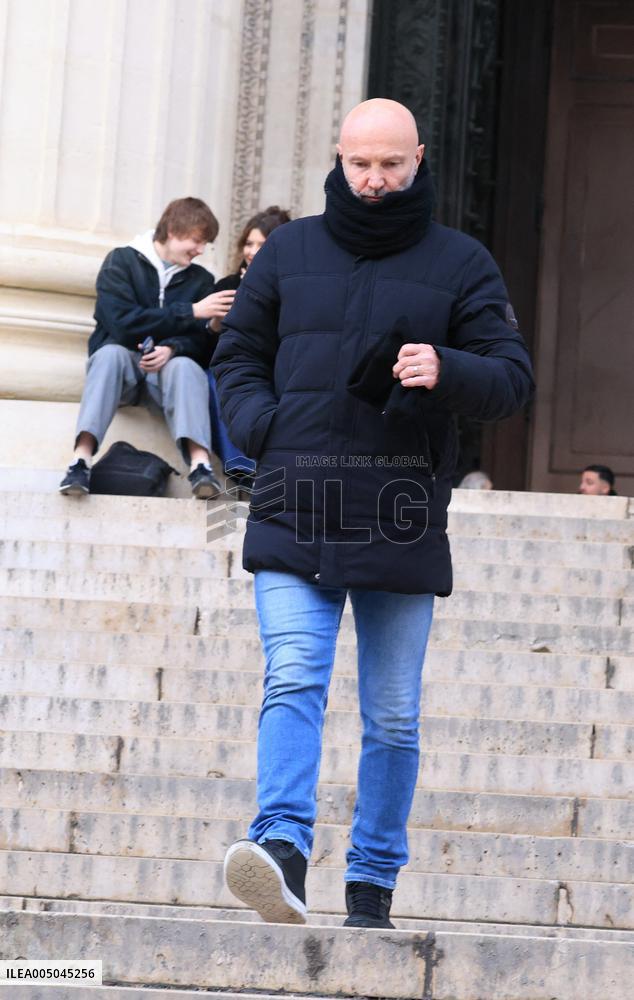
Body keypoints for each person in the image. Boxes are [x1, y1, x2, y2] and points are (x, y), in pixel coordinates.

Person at [213, 99, 534, 928]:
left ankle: (372, 881)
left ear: (419, 158)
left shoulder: (463, 263)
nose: (375, 180)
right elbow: (238, 355)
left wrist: (448, 366)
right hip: (296, 500)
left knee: (392, 715)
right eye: (361, 164)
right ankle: (281, 849)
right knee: (292, 675)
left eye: (391, 164)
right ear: (339, 156)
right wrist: (263, 428)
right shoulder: (287, 250)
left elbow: (511, 378)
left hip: (400, 510)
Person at [59, 197, 234, 499]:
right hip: (123, 372)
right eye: (196, 240)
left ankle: (201, 466)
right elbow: (121, 322)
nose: (200, 250)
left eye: (205, 244)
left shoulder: (202, 280)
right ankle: (80, 460)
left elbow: (202, 342)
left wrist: (173, 349)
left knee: (186, 365)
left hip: (166, 380)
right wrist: (189, 312)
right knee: (110, 354)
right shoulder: (122, 262)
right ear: (173, 230)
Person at [207, 207, 291, 487]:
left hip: (280, 368)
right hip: (240, 366)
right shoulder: (228, 285)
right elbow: (210, 349)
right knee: (221, 381)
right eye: (249, 243)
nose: (253, 251)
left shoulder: (294, 287)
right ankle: (241, 468)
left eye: (262, 244)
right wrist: (216, 322)